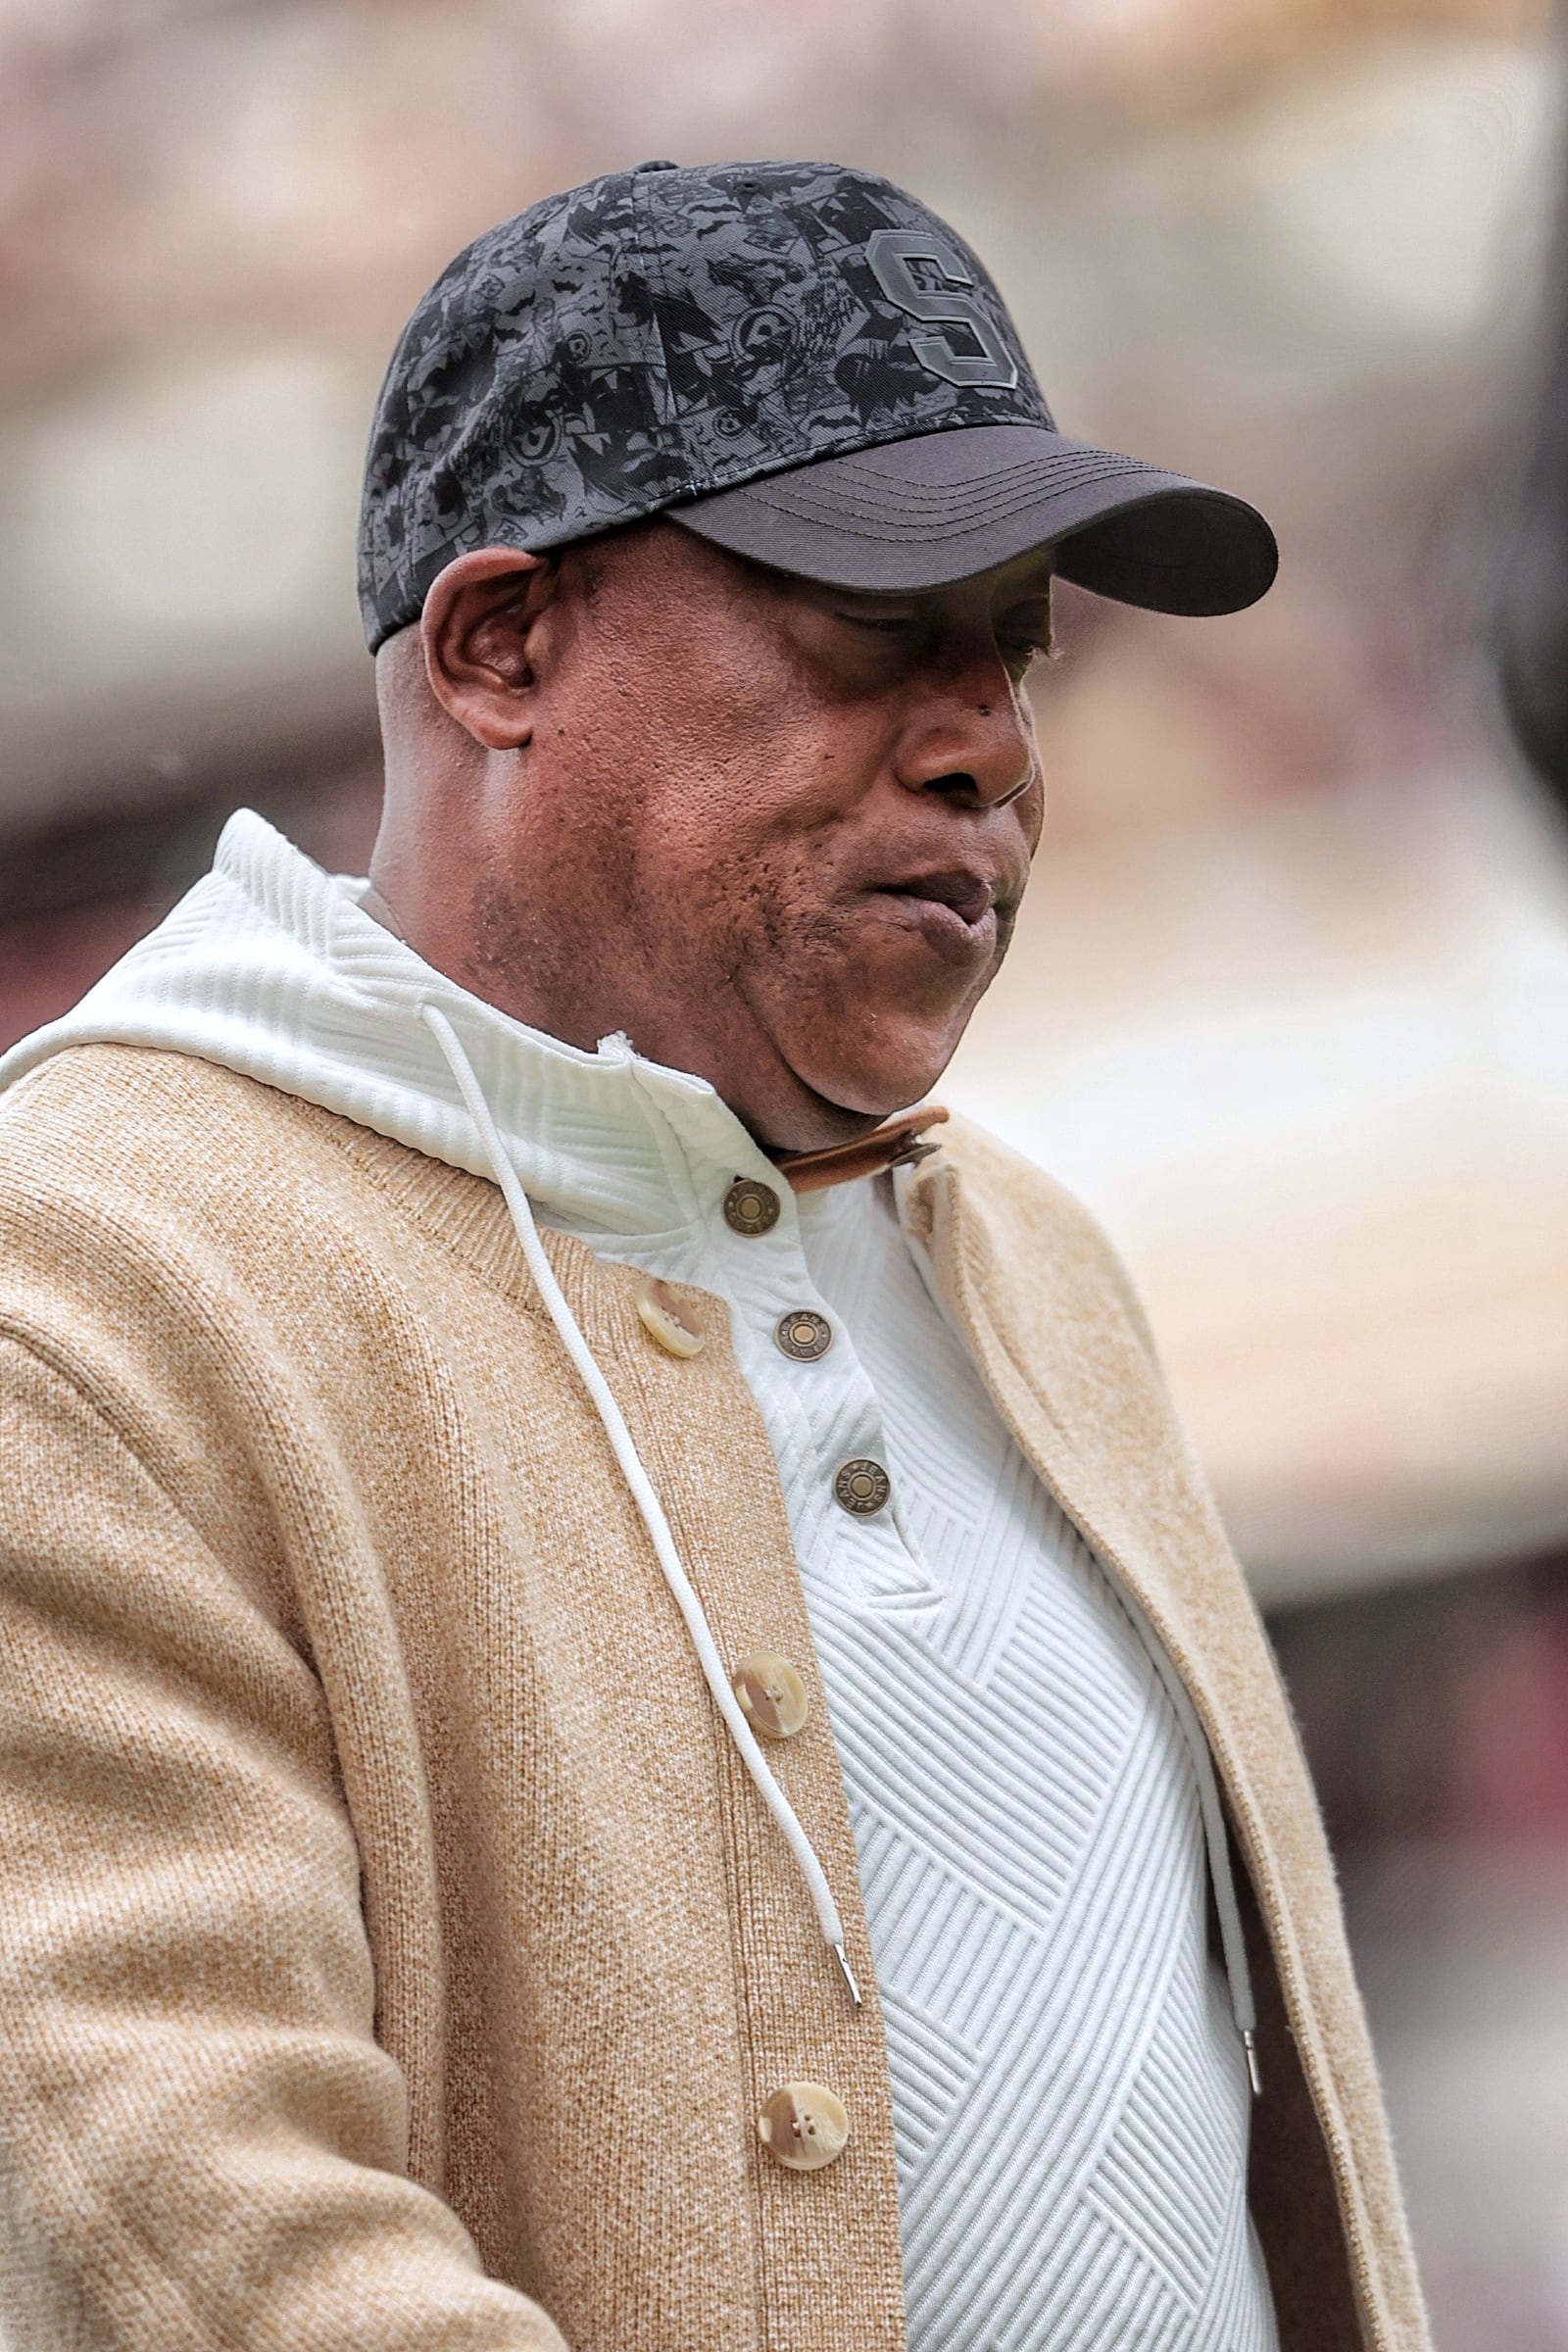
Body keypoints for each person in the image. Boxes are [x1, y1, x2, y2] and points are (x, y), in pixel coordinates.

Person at [0, 161, 1426, 2352]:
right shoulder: (96, 1283)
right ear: (498, 649)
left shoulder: (1026, 1265)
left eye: (1016, 652)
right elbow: (177, 2201)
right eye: (875, 627)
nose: (986, 748)